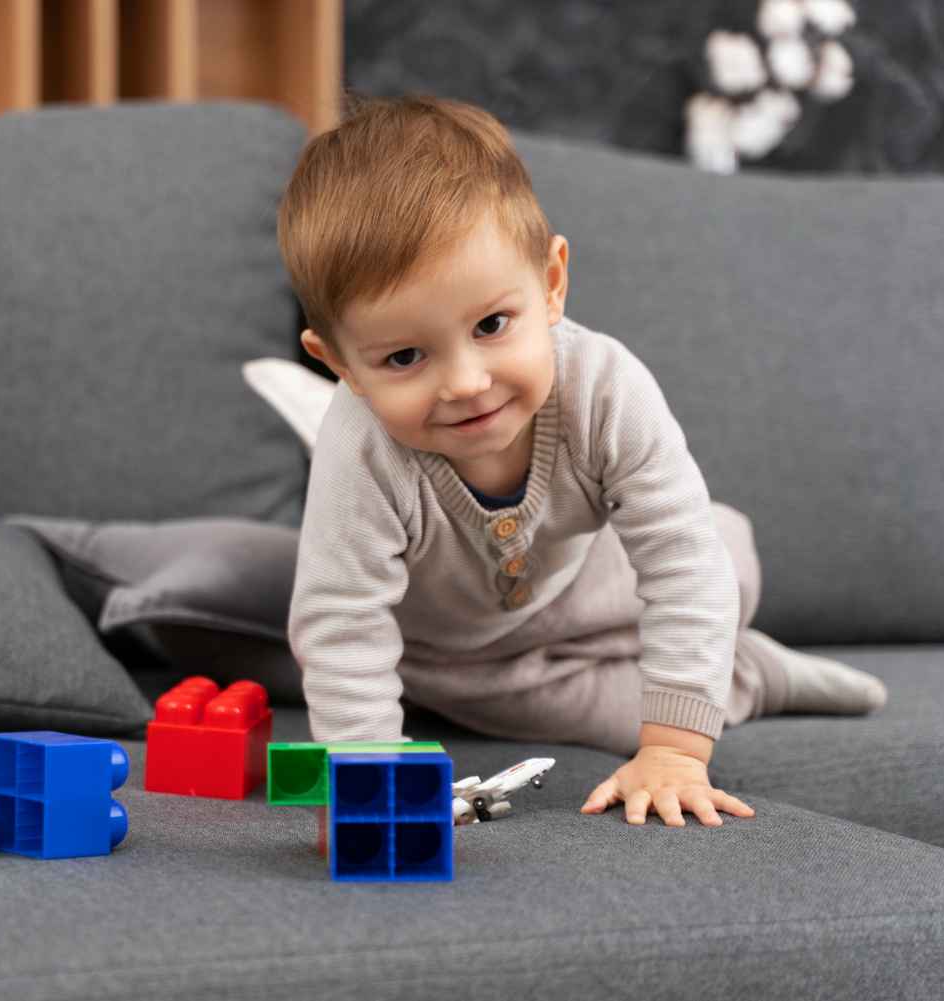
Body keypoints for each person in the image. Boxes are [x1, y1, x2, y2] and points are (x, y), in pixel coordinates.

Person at [278, 94, 886, 828]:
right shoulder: (362, 447)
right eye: (405, 357)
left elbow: (681, 557)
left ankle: (719, 650)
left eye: (491, 324)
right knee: (573, 709)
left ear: (551, 283)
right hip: (472, 653)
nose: (465, 382)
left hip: (597, 584)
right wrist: (371, 783)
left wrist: (675, 753)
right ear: (339, 364)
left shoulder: (603, 387)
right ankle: (749, 675)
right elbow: (342, 622)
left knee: (724, 559)